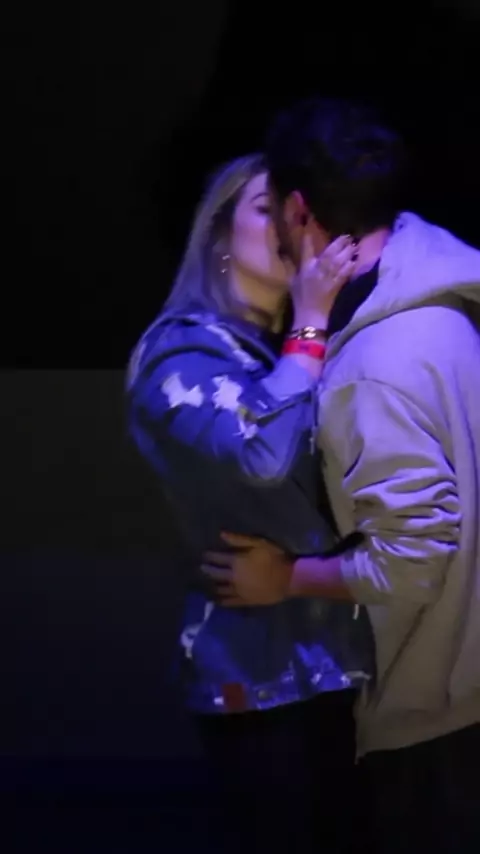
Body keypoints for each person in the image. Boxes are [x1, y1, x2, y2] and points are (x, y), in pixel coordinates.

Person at [202, 100, 480, 853]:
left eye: (271, 210)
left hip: (445, 722)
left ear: (299, 211)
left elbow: (414, 559)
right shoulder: (445, 295)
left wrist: (284, 578)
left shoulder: (372, 370)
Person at [125, 154, 374, 853]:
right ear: (217, 236)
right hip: (262, 681)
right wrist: (312, 320)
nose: (291, 228)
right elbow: (260, 456)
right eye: (267, 210)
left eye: (301, 213)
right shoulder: (181, 350)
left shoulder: (278, 351)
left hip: (336, 668)